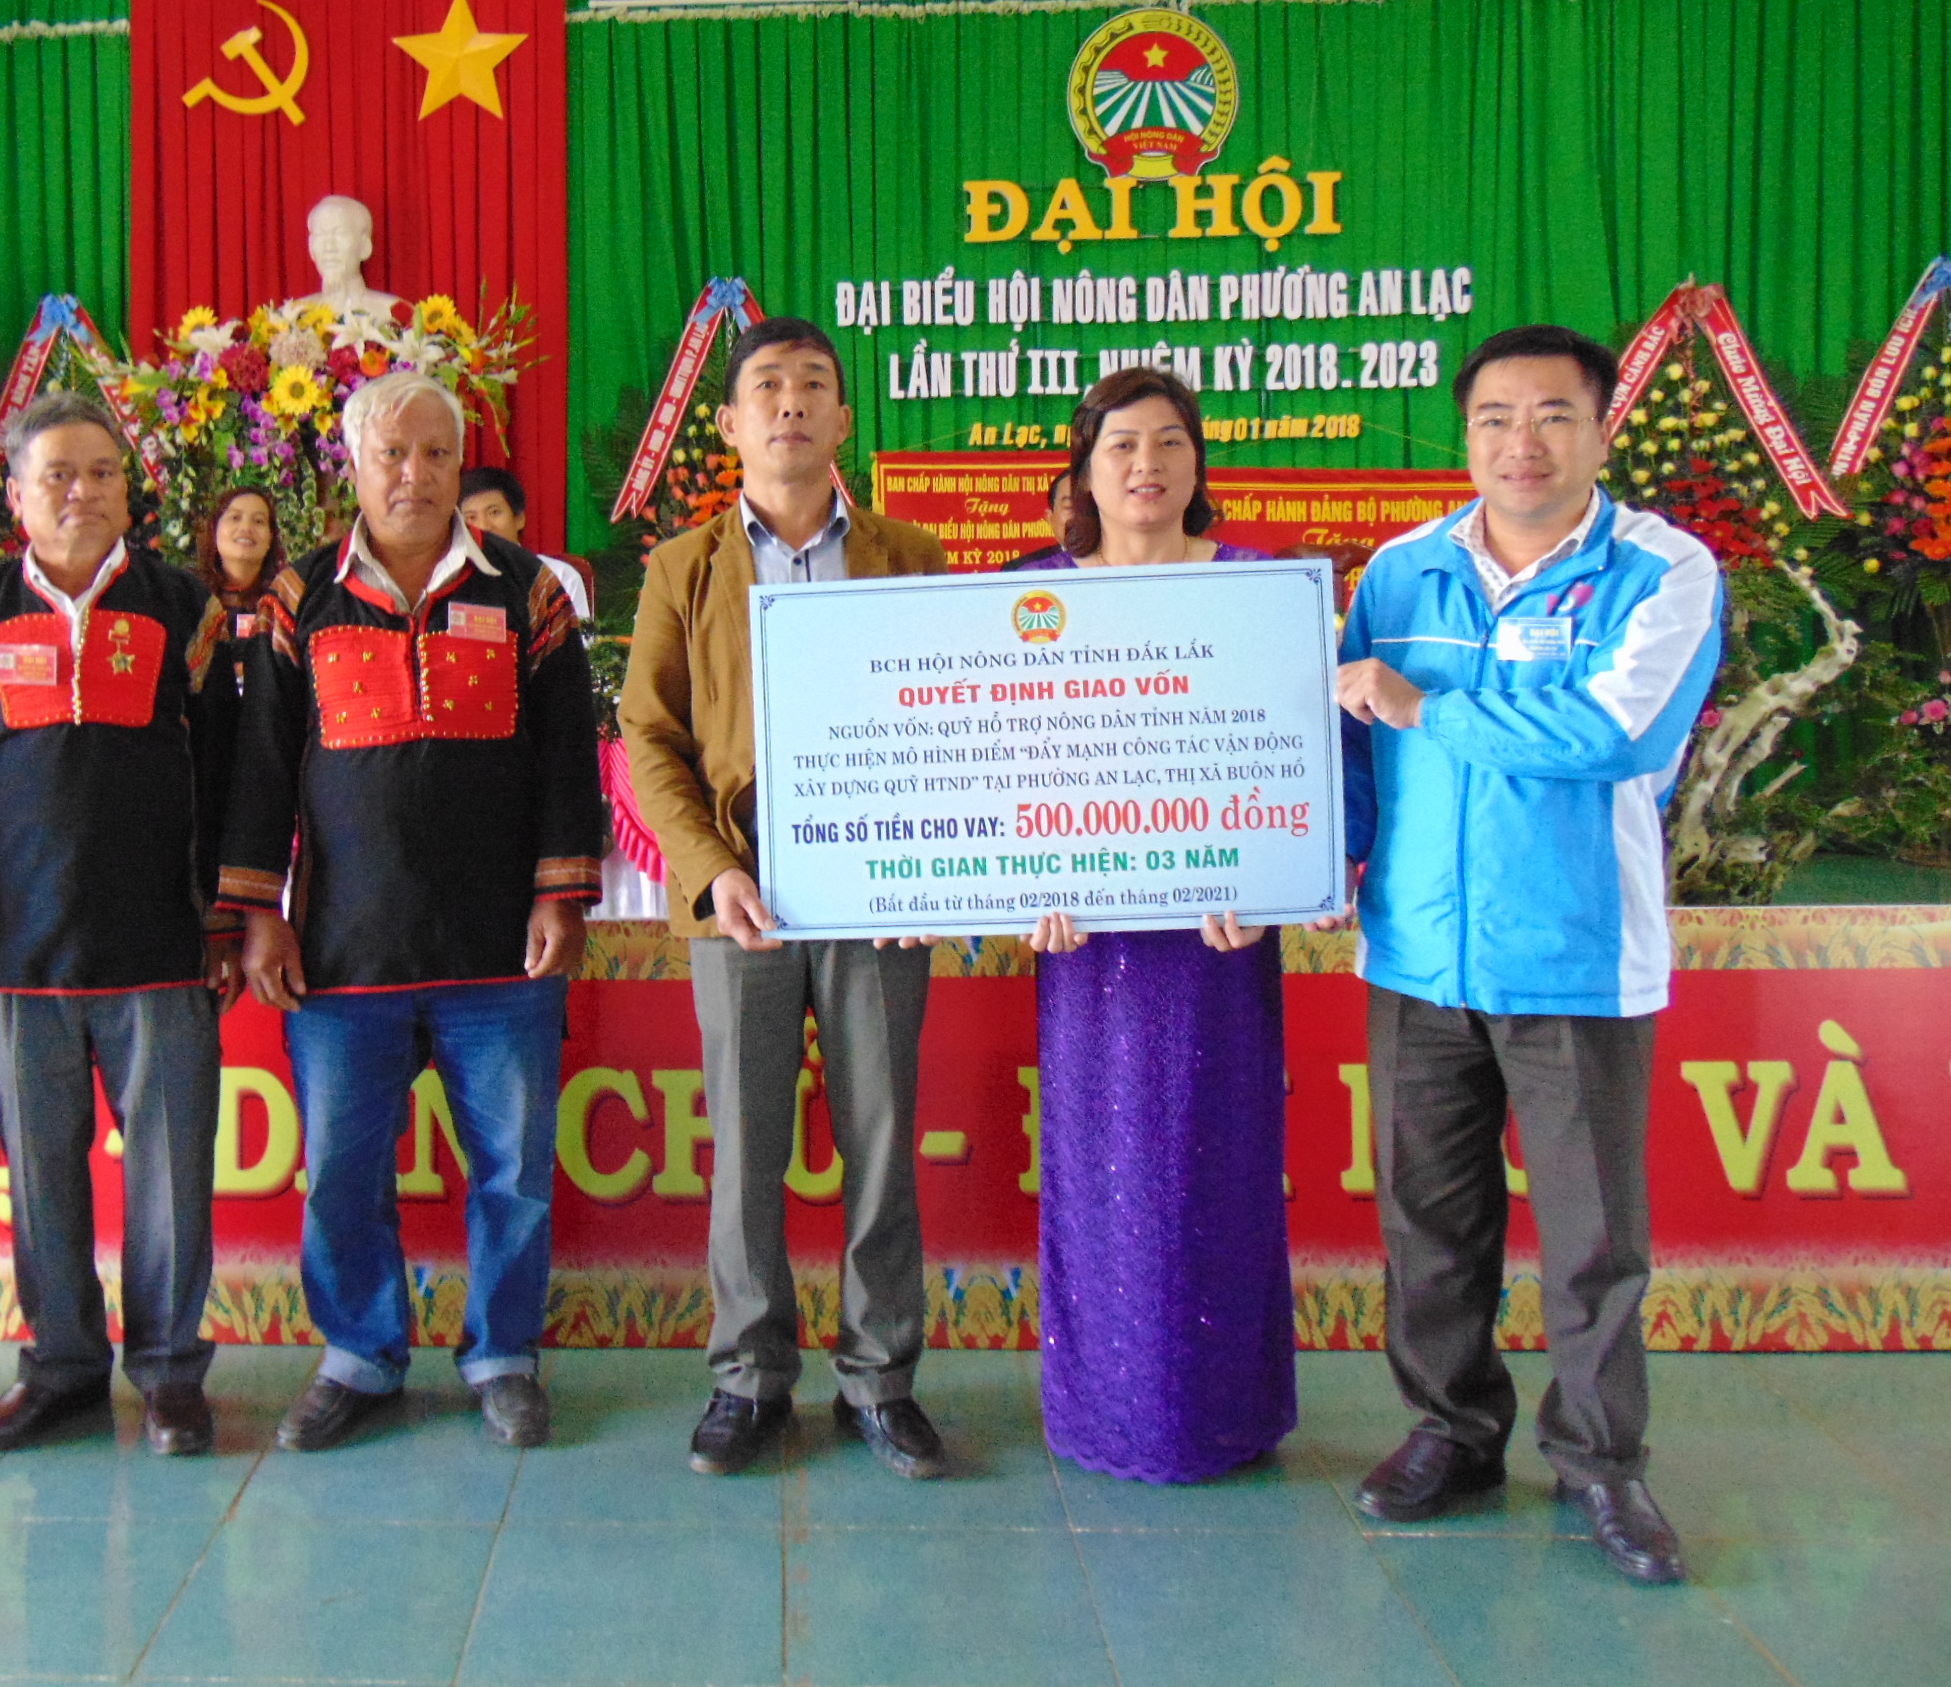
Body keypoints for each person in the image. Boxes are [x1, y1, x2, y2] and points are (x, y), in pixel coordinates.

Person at [1337, 323, 1722, 1585]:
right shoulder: (1402, 573)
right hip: (1418, 959)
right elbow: (1351, 751)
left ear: (1602, 430)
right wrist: (1305, 861)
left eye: (1554, 415)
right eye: (1496, 418)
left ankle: (1603, 1466)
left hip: (1577, 959)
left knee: (1593, 1237)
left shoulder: (1662, 570)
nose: (1523, 442)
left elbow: (1617, 732)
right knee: (1429, 1223)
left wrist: (1429, 705)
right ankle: (1452, 1432)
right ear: (1465, 437)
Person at [225, 373, 602, 1452]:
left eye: (437, 454)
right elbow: (261, 770)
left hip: (500, 951)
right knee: (343, 1174)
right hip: (344, 952)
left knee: (513, 1175)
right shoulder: (299, 597)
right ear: (355, 465)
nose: (416, 474)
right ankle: (359, 1354)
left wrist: (560, 892)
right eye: (392, 454)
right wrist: (260, 914)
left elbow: (566, 755)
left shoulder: (528, 592)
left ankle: (502, 1356)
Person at [619, 316, 953, 1479]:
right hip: (742, 892)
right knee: (747, 1140)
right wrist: (714, 869)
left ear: (845, 418)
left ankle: (880, 1380)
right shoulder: (685, 567)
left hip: (878, 891)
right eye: (766, 385)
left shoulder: (910, 557)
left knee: (881, 1137)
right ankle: (749, 1377)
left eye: (814, 384)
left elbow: (954, 720)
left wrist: (931, 863)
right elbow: (649, 734)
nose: (792, 402)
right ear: (728, 423)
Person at [0, 394, 242, 1459]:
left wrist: (228, 918)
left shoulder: (185, 609)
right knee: (41, 1178)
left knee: (172, 1179)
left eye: (102, 472)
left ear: (128, 491)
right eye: (57, 474)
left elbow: (229, 771)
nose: (82, 492)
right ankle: (60, 1367)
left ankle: (171, 1375)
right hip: (19, 957)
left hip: (162, 950)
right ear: (15, 496)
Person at [1017, 371, 1297, 1483]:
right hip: (1089, 949)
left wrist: (1275, 883)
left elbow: (1298, 757)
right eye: (1122, 444)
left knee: (1219, 1166)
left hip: (1222, 942)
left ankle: (1225, 1414)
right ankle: (1108, 1414)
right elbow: (996, 766)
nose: (1147, 464)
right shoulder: (1030, 595)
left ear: (1198, 463)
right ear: (1084, 471)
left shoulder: (1258, 590)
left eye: (1170, 442)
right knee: (1105, 1175)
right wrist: (1017, 880)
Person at [459, 465, 595, 623]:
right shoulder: (451, 580)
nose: (483, 526)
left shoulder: (558, 577)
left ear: (519, 519)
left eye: (494, 512)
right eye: (471, 518)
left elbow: (576, 638)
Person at [198, 485, 288, 681]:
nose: (246, 528)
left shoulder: (285, 600)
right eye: (235, 518)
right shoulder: (190, 595)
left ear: (271, 538)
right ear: (215, 529)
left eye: (258, 521)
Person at [280, 194, 402, 322]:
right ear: (311, 247)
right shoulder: (289, 319)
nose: (329, 247)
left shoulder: (393, 312)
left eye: (340, 234)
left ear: (365, 246)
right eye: (320, 235)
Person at [1002, 468, 1079, 569]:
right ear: (1050, 518)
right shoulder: (1023, 569)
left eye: (1090, 506)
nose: (1080, 516)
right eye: (1070, 506)